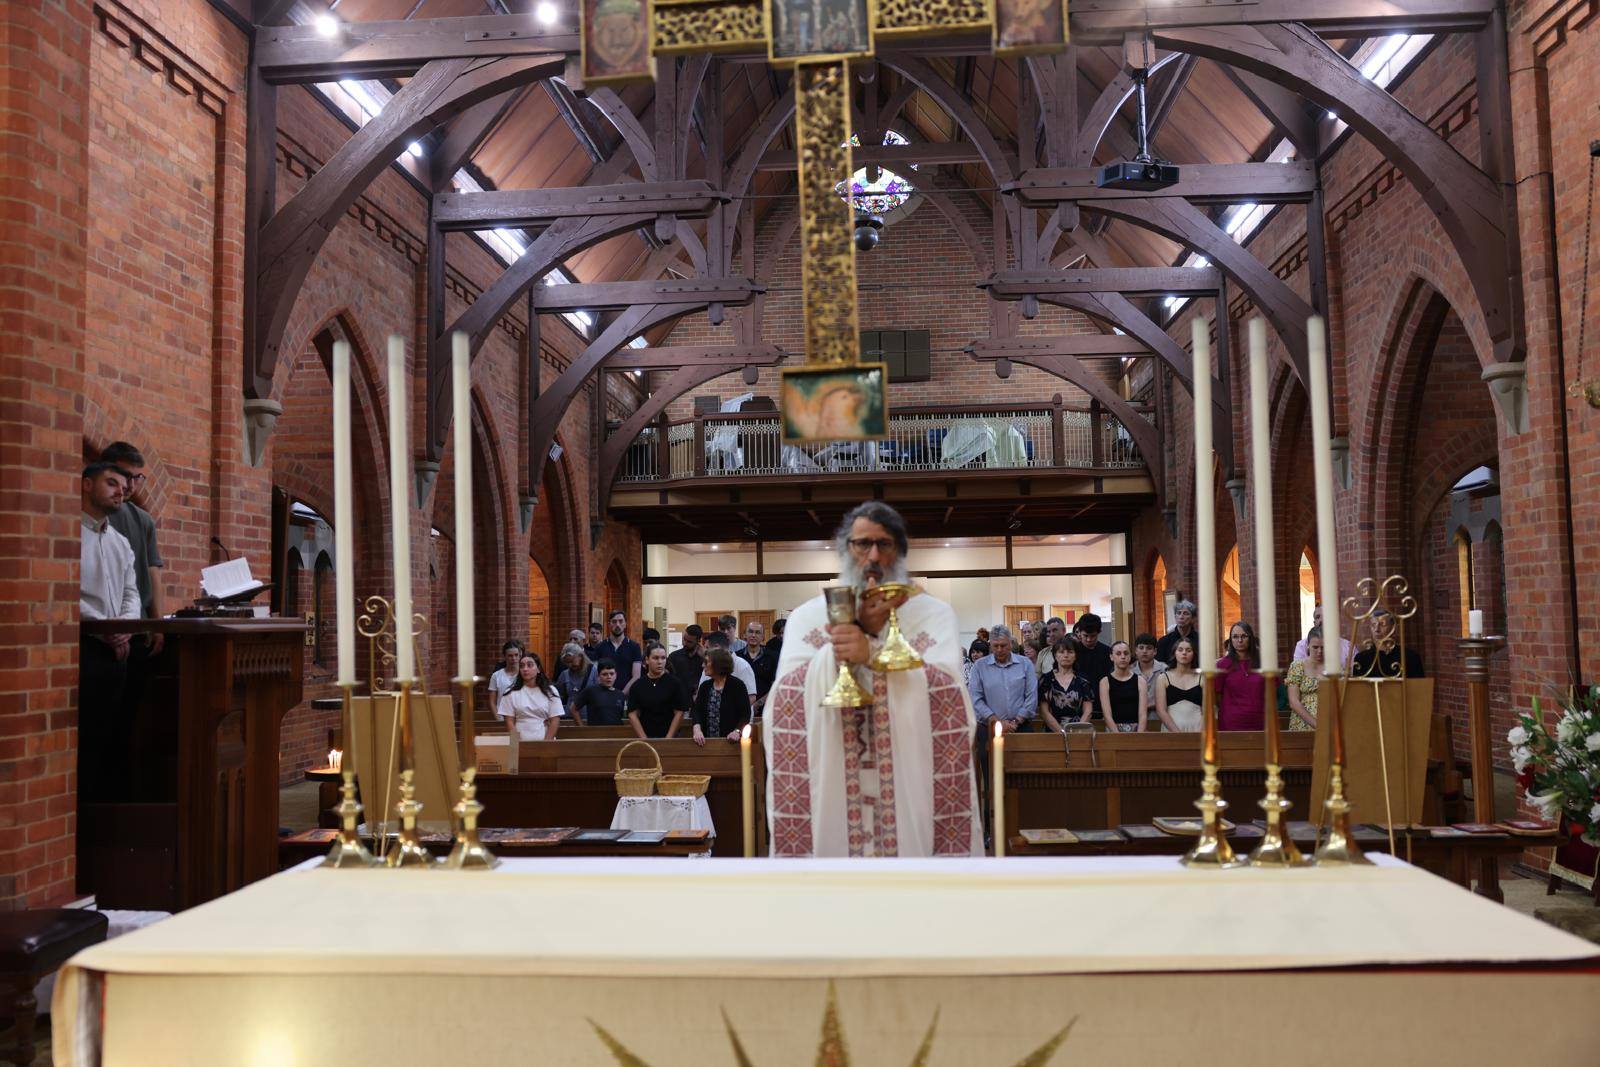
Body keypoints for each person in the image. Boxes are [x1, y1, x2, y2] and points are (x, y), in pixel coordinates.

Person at [766, 501, 982, 857]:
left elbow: (950, 701)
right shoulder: (808, 618)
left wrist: (872, 653)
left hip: (909, 789)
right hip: (833, 791)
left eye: (885, 544)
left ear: (900, 551)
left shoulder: (933, 616)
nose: (874, 556)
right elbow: (784, 702)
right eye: (863, 544)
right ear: (845, 549)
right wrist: (834, 656)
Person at [80, 463, 141, 800]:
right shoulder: (67, 534)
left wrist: (124, 627)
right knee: (83, 741)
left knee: (112, 740)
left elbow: (131, 594)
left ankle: (102, 816)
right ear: (87, 485)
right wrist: (104, 628)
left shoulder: (121, 542)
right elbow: (62, 591)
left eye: (123, 485)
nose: (121, 490)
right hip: (83, 647)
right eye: (111, 483)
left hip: (117, 651)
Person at [100, 442, 164, 652]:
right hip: (99, 628)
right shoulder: (94, 515)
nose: (130, 485)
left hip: (138, 626)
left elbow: (152, 573)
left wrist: (158, 625)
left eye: (137, 478)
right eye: (125, 476)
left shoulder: (143, 520)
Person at [968, 624, 1037, 733]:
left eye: (1003, 645)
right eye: (995, 646)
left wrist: (1016, 721)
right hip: (988, 727)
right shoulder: (979, 666)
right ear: (990, 645)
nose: (999, 649)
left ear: (1010, 644)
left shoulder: (1025, 664)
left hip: (1020, 726)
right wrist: (996, 721)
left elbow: (1031, 696)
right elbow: (975, 698)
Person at [626, 641, 688, 739]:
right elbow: (632, 714)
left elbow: (679, 712)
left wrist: (668, 738)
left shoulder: (674, 683)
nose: (660, 662)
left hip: (670, 736)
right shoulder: (638, 685)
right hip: (646, 735)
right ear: (647, 660)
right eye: (655, 658)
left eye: (663, 658)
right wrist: (644, 738)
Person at [692, 649, 751, 747]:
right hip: (705, 743)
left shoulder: (737, 685)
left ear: (718, 664)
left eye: (706, 662)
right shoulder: (705, 686)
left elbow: (745, 714)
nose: (703, 665)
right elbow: (697, 711)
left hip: (730, 743)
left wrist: (737, 731)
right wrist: (697, 729)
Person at [500, 653, 563, 741]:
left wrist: (546, 743)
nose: (525, 669)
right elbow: (509, 721)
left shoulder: (550, 691)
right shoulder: (510, 692)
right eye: (522, 666)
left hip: (545, 740)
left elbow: (555, 720)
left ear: (538, 669)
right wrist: (517, 742)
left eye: (529, 665)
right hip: (519, 741)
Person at [1038, 638, 1096, 734]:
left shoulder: (1083, 680)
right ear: (1055, 655)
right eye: (1061, 652)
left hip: (1079, 732)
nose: (1066, 655)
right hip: (1053, 732)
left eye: (1070, 652)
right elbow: (1044, 712)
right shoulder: (1046, 679)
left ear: (1075, 656)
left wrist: (1078, 731)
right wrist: (1061, 732)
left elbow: (1088, 711)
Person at [1215, 621, 1265, 730]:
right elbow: (1217, 695)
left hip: (1260, 720)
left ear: (1250, 638)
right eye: (1235, 637)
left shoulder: (1263, 663)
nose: (1240, 640)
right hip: (1231, 721)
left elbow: (1271, 691)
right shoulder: (1222, 664)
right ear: (1231, 640)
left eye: (1244, 636)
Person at [1351, 610, 1425, 679]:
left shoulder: (1410, 657)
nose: (1377, 629)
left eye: (1382, 624)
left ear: (1393, 628)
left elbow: (1419, 686)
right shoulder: (1361, 659)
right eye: (1373, 625)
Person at [1094, 640, 1147, 732]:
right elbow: (1107, 715)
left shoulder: (1140, 681)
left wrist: (1139, 735)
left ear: (1130, 656)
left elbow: (1143, 714)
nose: (1123, 657)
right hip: (1113, 730)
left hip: (1137, 729)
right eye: (1118, 654)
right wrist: (1117, 735)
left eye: (1126, 653)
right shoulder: (1105, 682)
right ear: (1111, 657)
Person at [1155, 635, 1204, 732]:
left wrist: (1200, 733)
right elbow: (1161, 710)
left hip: (1197, 729)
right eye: (1180, 650)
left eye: (1188, 650)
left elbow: (1207, 710)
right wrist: (1177, 734)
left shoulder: (1202, 678)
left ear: (1194, 654)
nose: (1184, 653)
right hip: (1171, 731)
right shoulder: (1163, 678)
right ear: (1174, 653)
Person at [1285, 627, 1325, 731]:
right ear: (1308, 645)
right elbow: (1294, 702)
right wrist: (1317, 725)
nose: (1319, 651)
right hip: (1302, 722)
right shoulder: (1298, 666)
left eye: (1323, 647)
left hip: (1328, 720)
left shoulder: (1334, 668)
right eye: (1315, 647)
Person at [698, 629, 757, 697]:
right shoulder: (708, 666)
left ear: (717, 647)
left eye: (707, 647)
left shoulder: (743, 666)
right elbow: (700, 695)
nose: (705, 651)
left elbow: (751, 697)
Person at [1292, 605, 1352, 670]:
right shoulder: (1301, 646)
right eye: (1318, 617)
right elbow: (1297, 671)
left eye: (1326, 616)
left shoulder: (1348, 646)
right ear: (1314, 623)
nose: (1321, 620)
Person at [572, 659, 628, 726]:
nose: (609, 677)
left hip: (616, 731)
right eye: (605, 674)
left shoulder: (620, 694)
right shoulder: (590, 691)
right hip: (596, 731)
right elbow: (573, 708)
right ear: (598, 676)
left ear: (616, 675)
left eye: (611, 674)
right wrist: (582, 728)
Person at [739, 620, 779, 711]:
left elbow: (776, 685)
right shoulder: (737, 657)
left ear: (763, 637)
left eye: (757, 632)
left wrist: (759, 703)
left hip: (766, 707)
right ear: (744, 635)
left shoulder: (773, 657)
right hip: (741, 708)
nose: (753, 635)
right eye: (750, 631)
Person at [600, 610, 644, 690]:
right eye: (614, 622)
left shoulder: (634, 647)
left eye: (621, 621)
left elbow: (636, 676)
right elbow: (596, 674)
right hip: (604, 693)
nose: (617, 625)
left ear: (625, 624)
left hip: (627, 694)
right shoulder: (600, 646)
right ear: (609, 624)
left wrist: (621, 694)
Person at [1071, 613, 1113, 694]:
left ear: (1099, 632)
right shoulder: (1073, 652)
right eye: (1085, 635)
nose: (1089, 639)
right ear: (1079, 632)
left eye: (1093, 636)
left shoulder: (1107, 652)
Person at [552, 642, 597, 716]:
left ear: (580, 656)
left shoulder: (593, 671)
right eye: (567, 662)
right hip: (569, 715)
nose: (569, 665)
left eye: (571, 661)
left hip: (589, 714)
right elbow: (557, 695)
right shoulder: (564, 674)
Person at [1132, 633, 1167, 724]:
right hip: (1136, 721)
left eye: (1149, 648)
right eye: (1141, 648)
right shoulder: (1130, 672)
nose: (1144, 651)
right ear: (1136, 651)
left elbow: (1172, 695)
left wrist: (1150, 704)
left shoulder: (1165, 669)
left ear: (1155, 651)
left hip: (1162, 720)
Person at [1155, 599, 1198, 667]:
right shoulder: (1164, 641)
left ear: (1193, 618)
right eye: (1179, 613)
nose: (1181, 617)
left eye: (1186, 613)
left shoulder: (1200, 640)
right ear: (1175, 617)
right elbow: (1159, 666)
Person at [486, 640, 523, 717]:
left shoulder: (525, 673)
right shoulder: (496, 675)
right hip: (502, 716)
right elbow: (492, 701)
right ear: (505, 656)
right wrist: (498, 718)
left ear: (520, 655)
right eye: (510, 656)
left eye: (516, 655)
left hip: (522, 717)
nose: (514, 658)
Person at [666, 624, 705, 693]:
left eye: (689, 642)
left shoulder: (704, 659)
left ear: (698, 641)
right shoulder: (674, 656)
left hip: (698, 696)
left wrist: (705, 656)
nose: (685, 643)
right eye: (684, 639)